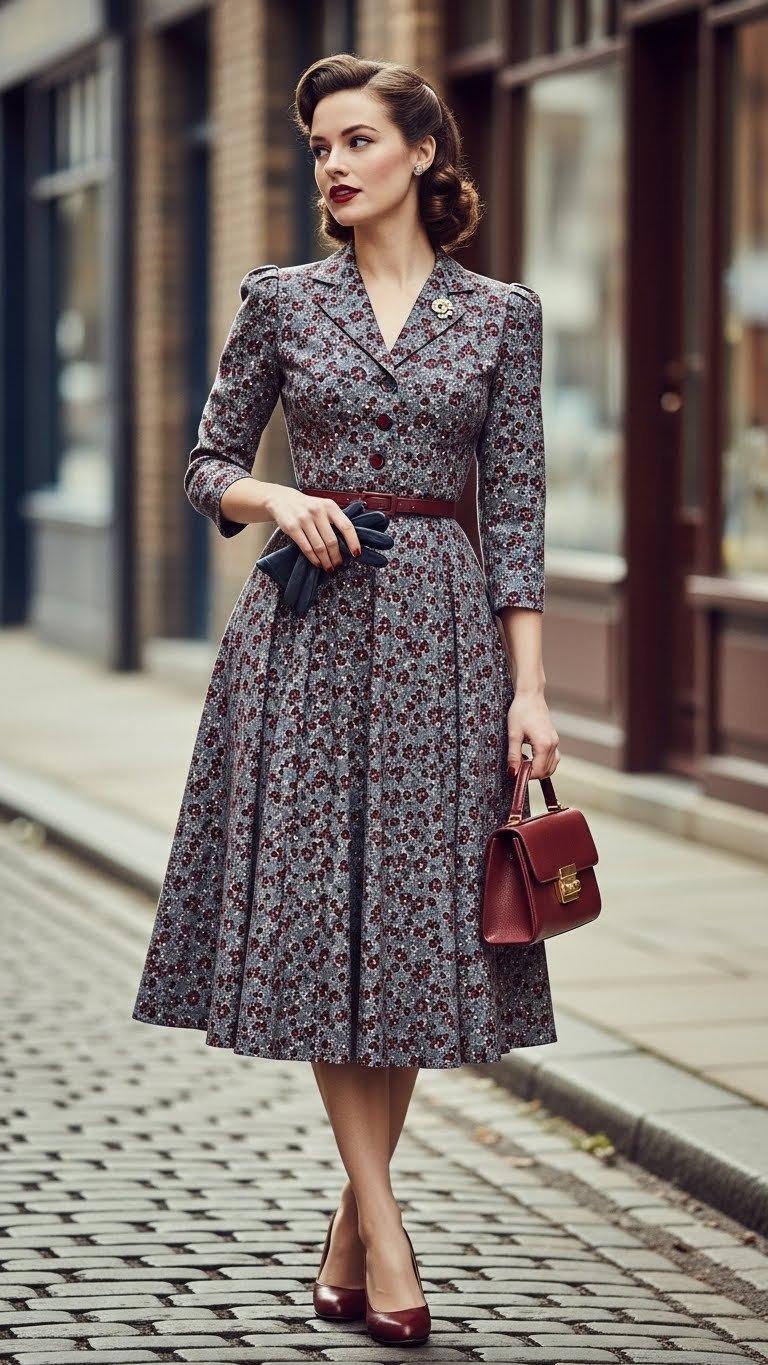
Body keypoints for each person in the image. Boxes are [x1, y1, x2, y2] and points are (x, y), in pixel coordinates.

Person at [132, 52, 560, 1347]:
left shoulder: (503, 316)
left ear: (424, 153)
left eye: (357, 138)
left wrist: (530, 688)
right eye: (320, 143)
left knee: (417, 937)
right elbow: (208, 460)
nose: (332, 161)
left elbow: (524, 509)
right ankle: (387, 1232)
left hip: (441, 632)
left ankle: (348, 1230)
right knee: (328, 928)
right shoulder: (278, 302)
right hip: (307, 638)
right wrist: (277, 495)